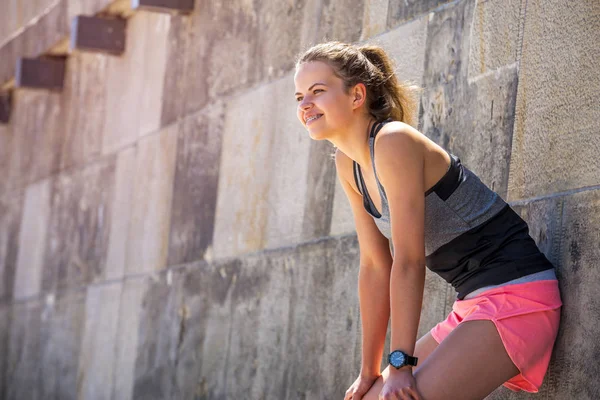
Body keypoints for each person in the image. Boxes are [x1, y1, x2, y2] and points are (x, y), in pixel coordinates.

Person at [293, 41, 562, 400]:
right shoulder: (348, 164)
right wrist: (370, 371)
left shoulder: (393, 142)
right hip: (471, 307)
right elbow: (375, 265)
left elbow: (409, 261)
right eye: (299, 97)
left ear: (357, 95)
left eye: (317, 91)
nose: (305, 104)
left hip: (518, 298)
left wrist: (401, 364)